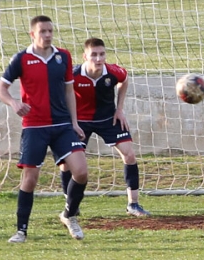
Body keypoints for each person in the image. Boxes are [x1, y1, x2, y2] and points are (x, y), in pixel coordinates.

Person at [0, 15, 88, 242]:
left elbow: (69, 92)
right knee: (30, 178)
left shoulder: (63, 56)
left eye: (50, 31)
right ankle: (21, 231)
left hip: (62, 125)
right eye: (42, 31)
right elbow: (1, 88)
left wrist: (74, 123)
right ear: (32, 34)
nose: (47, 35)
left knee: (82, 172)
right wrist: (14, 103)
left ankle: (69, 216)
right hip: (35, 126)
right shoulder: (22, 58)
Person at [60, 38, 149, 216]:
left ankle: (133, 204)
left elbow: (124, 80)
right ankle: (71, 205)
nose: (98, 59)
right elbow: (62, 94)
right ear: (85, 56)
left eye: (102, 54)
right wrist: (71, 122)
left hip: (109, 119)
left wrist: (120, 109)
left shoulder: (113, 72)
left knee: (129, 154)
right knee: (66, 163)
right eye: (94, 55)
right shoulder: (74, 74)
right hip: (80, 121)